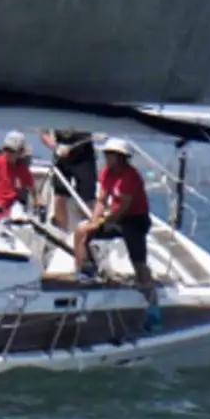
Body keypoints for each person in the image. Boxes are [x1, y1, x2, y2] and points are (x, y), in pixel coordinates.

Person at [73, 137, 162, 331]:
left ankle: (154, 306)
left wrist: (101, 222)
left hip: (134, 220)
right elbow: (102, 200)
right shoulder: (106, 173)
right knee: (82, 232)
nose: (106, 158)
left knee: (139, 265)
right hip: (116, 218)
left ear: (121, 157)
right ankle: (85, 273)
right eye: (105, 154)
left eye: (110, 154)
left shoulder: (132, 177)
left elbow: (123, 207)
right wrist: (93, 222)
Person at [39, 128, 98, 231]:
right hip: (61, 151)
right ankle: (61, 232)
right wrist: (55, 147)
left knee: (87, 197)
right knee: (59, 195)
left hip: (83, 153)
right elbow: (44, 133)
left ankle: (88, 231)